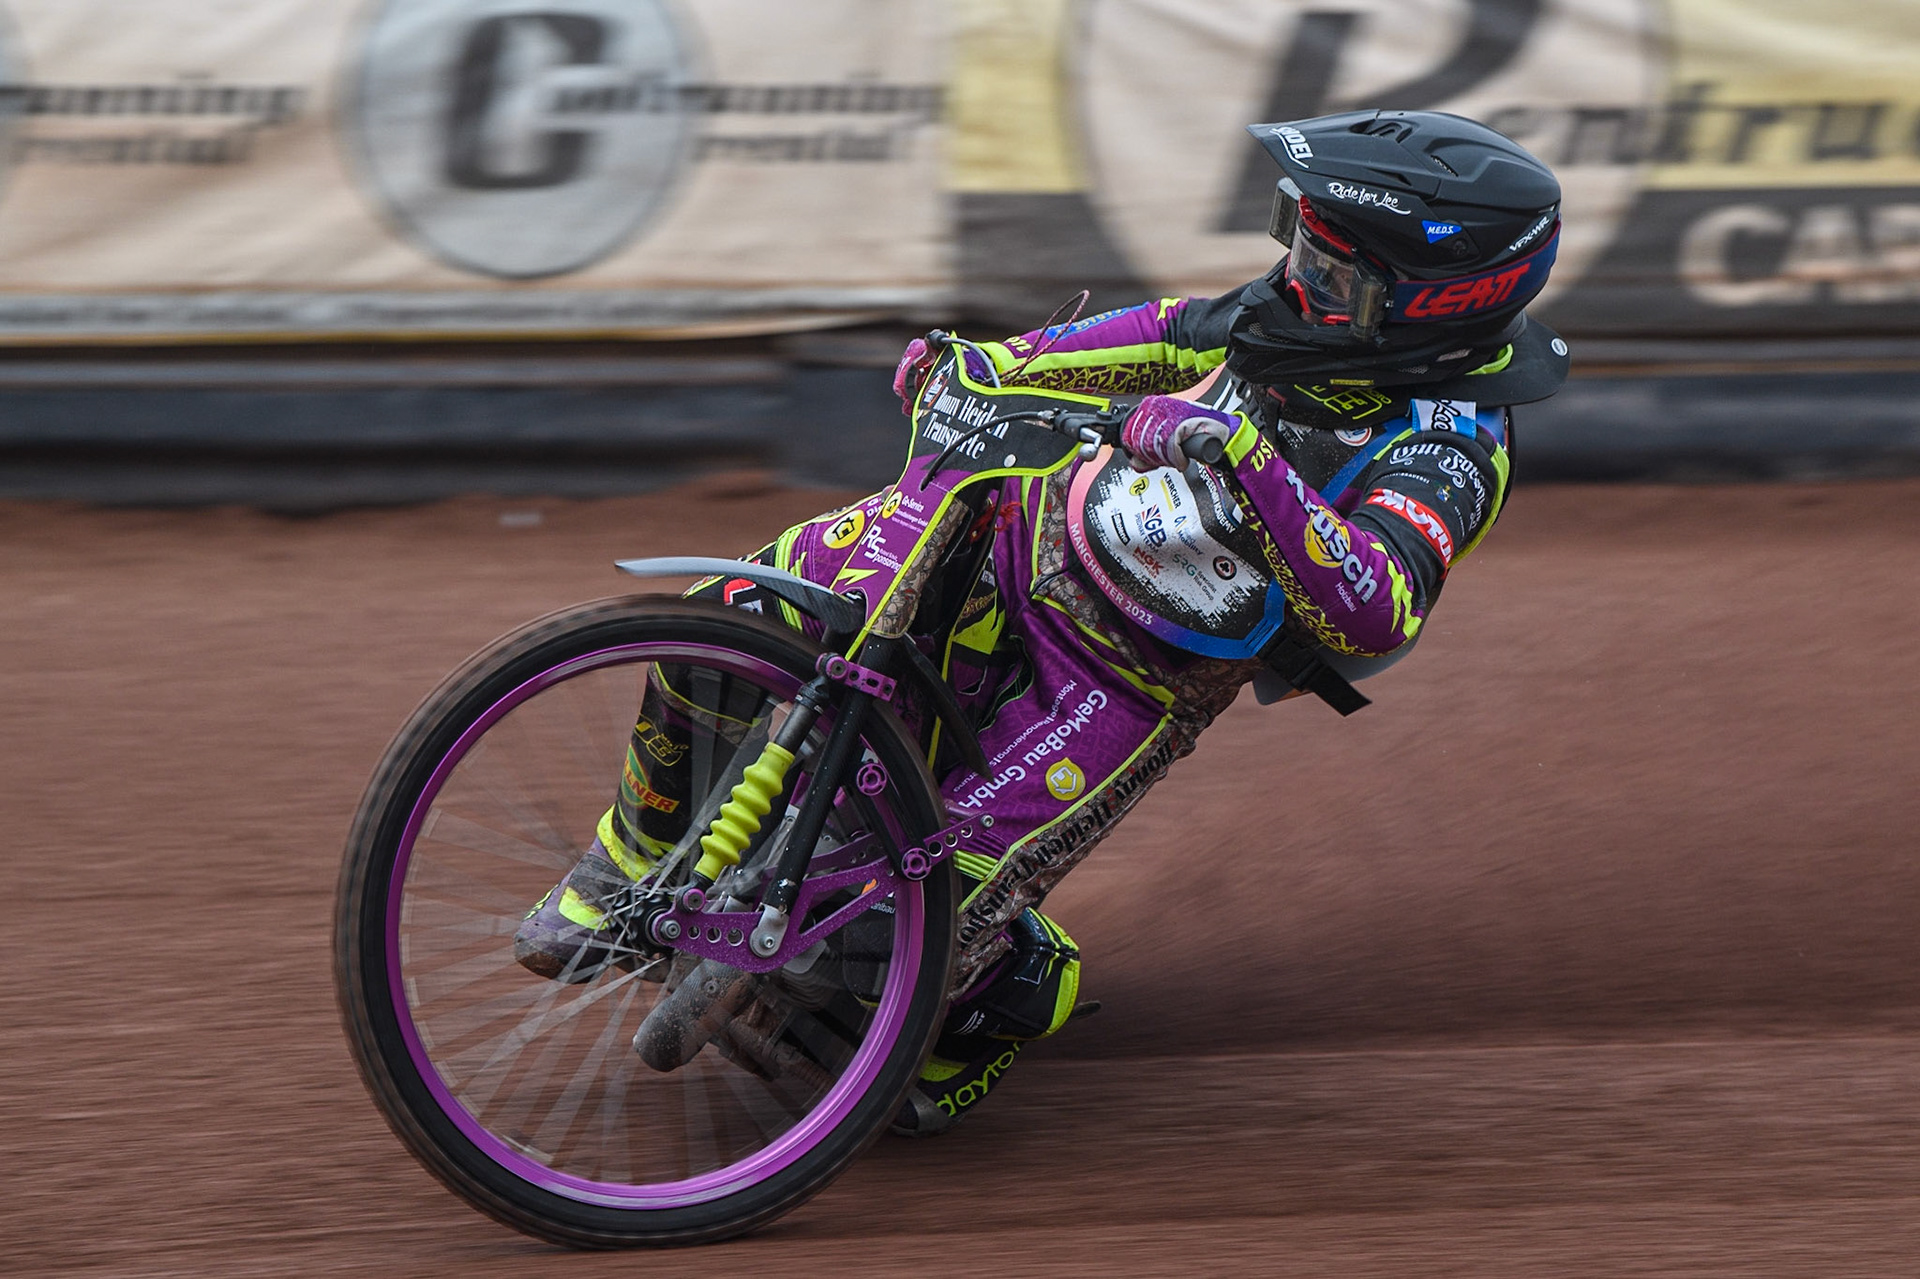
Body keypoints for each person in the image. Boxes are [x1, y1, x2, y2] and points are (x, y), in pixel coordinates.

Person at [514, 109, 1571, 1134]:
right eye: (1298, 239)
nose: (1297, 273)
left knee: (908, 915)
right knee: (730, 620)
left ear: (1434, 303)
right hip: (1016, 529)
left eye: (1333, 270)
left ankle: (977, 1010)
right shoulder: (1290, 310)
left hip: (1124, 682)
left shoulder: (1454, 446)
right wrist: (987, 364)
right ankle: (627, 858)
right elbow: (1158, 336)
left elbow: (1377, 606)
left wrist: (1243, 461)